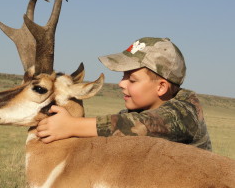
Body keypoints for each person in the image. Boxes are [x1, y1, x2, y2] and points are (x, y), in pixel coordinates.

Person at [36, 37, 212, 151]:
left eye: (132, 80)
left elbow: (142, 125)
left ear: (161, 87)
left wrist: (72, 126)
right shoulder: (132, 114)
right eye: (123, 76)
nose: (121, 84)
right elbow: (115, 126)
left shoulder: (185, 111)